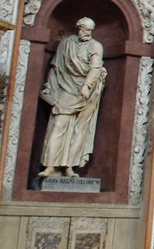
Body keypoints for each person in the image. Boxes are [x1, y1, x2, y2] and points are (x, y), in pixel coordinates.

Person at [39, 17, 106, 179]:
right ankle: (50, 165)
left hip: (87, 92)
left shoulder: (95, 46)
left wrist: (87, 85)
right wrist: (50, 86)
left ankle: (69, 166)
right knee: (58, 124)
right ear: (78, 28)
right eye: (85, 29)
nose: (87, 33)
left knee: (79, 129)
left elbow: (95, 67)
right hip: (66, 87)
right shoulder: (66, 44)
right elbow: (56, 67)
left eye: (90, 30)